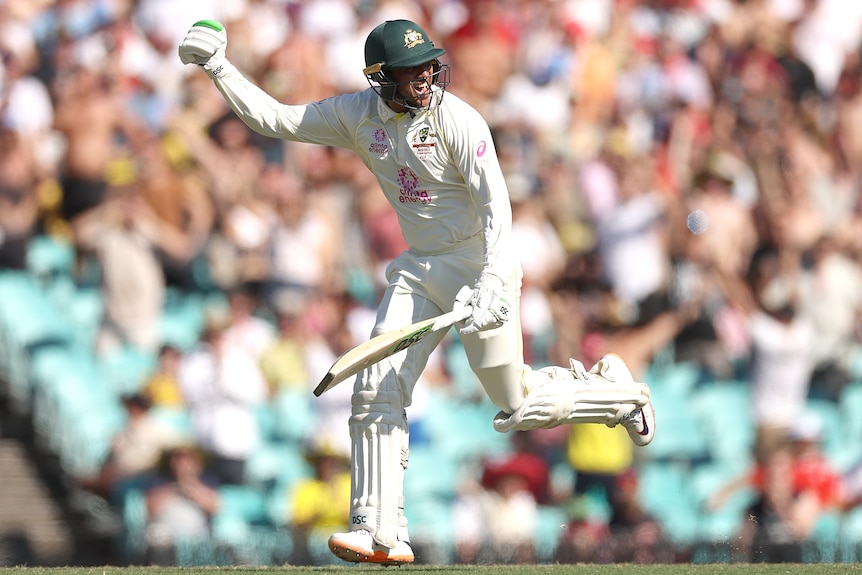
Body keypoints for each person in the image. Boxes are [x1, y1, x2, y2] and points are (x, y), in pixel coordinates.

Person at [178, 18, 655, 565]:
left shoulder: (460, 121)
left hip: (481, 264)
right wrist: (219, 68)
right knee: (376, 385)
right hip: (421, 268)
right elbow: (278, 120)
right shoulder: (357, 115)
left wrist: (494, 283)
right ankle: (378, 528)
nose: (426, 77)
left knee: (514, 403)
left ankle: (619, 396)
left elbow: (497, 209)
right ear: (381, 77)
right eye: (410, 71)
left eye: (429, 64)